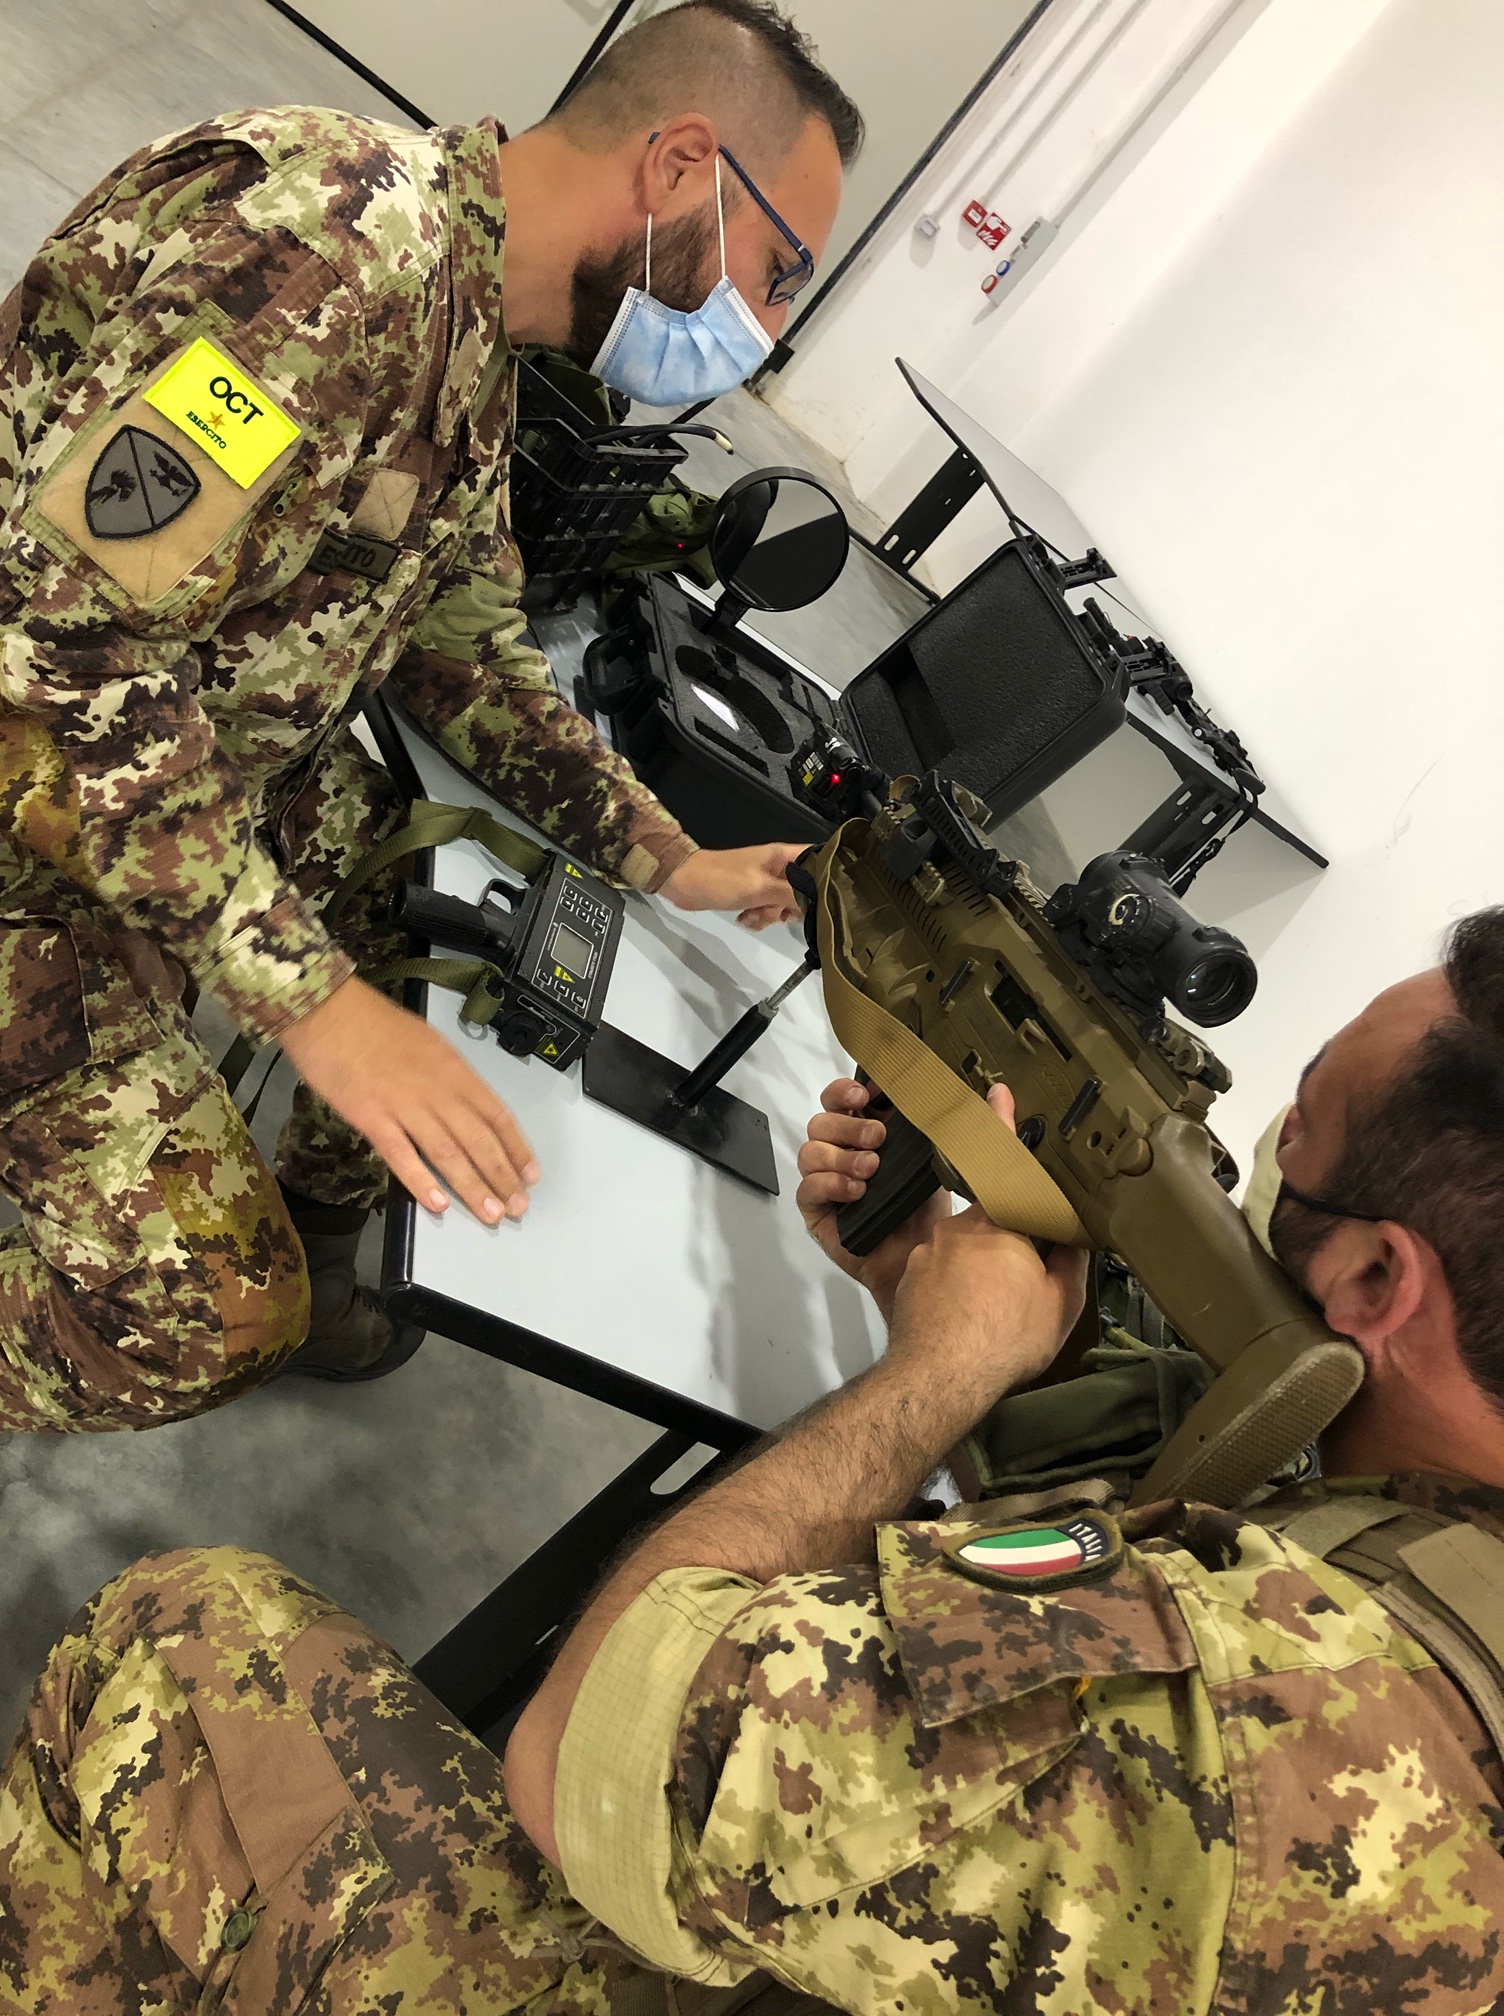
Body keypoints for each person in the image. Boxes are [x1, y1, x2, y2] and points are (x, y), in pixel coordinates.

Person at [6, 909, 1504, 2012]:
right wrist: (936, 1307)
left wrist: (938, 1371)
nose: (1261, 1147)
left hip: (660, 1882)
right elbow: (1159, 1531)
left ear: (1378, 1281)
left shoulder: (1292, 1714)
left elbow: (589, 1753)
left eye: (1300, 1125)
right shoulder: (1425, 1540)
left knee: (178, 1640)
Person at [0, 0, 863, 1423]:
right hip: (39, 825)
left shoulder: (471, 336)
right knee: (213, 1316)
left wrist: (667, 856)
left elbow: (464, 647)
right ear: (680, 166)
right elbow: (49, 653)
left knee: (425, 889)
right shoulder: (326, 263)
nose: (761, 338)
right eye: (778, 276)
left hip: (182, 771)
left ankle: (323, 1227)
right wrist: (314, 1005)